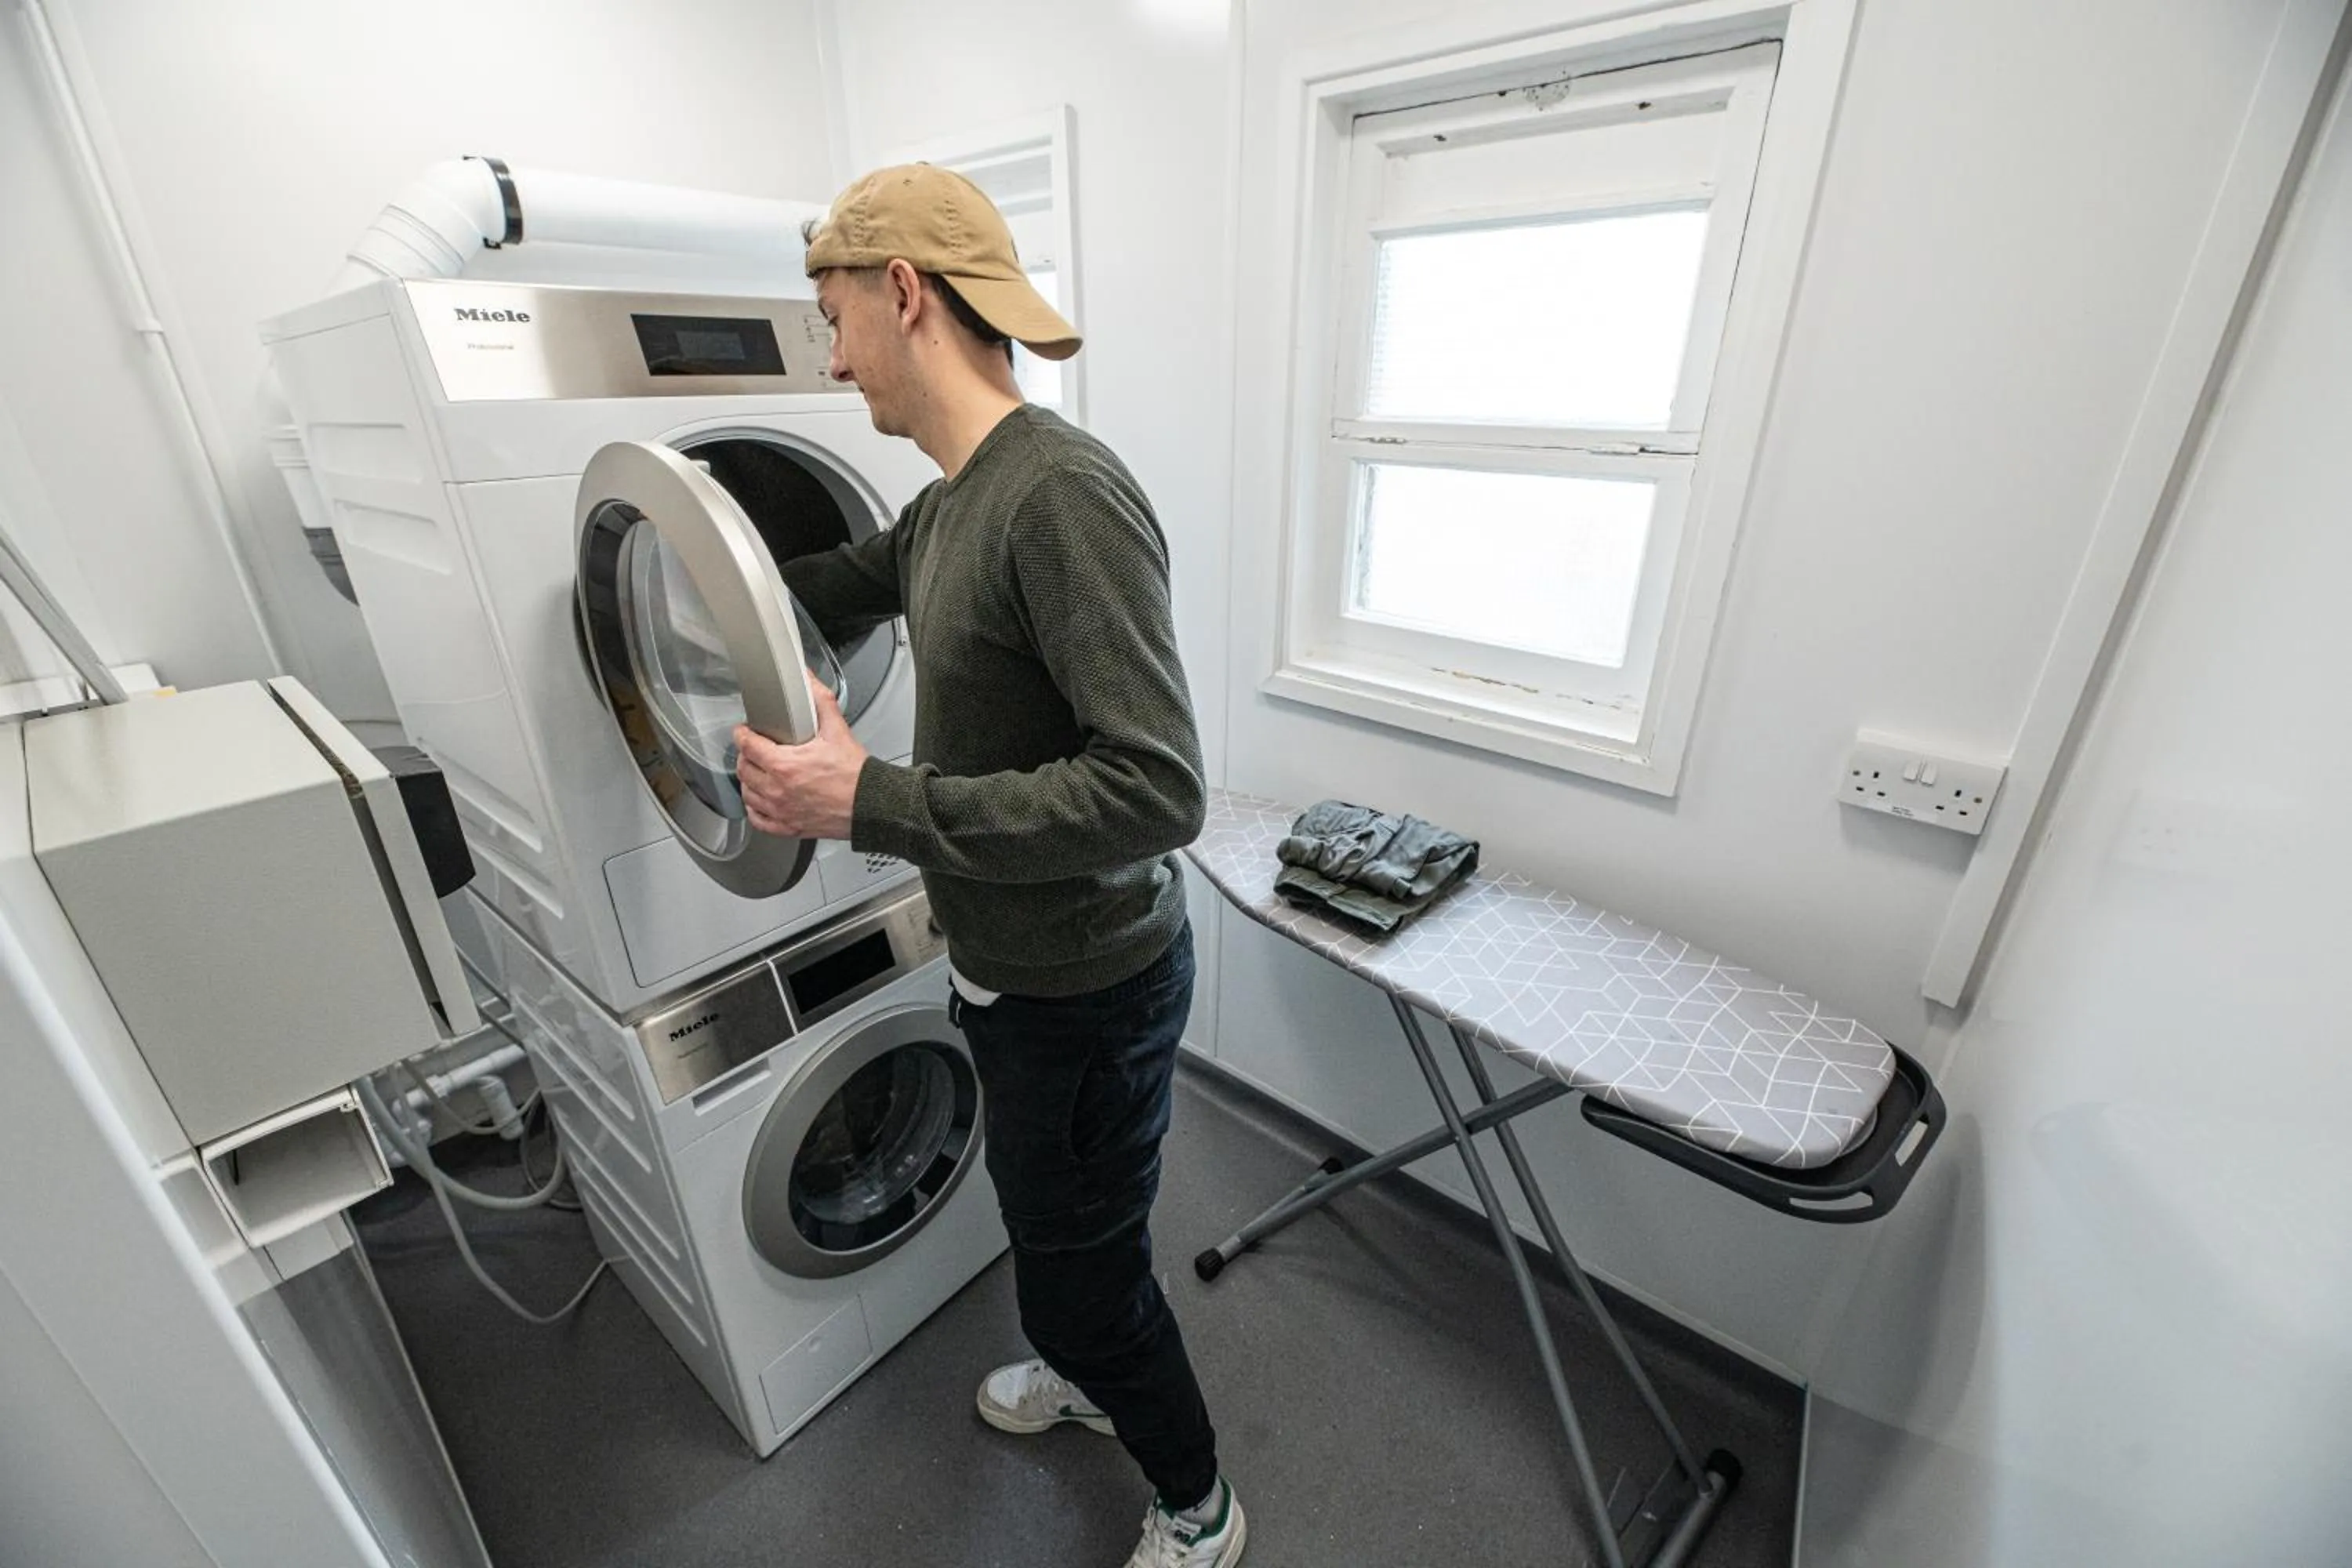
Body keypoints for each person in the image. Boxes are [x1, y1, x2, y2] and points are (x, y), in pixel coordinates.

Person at [732, 164, 1243, 1568]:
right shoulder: (950, 502)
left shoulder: (1056, 497)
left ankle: (1197, 1505)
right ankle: (1085, 1374)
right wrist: (689, 571)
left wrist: (871, 800)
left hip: (1091, 987)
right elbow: (832, 585)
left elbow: (1157, 787)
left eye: (837, 315)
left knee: (1078, 1274)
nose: (831, 359)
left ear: (904, 294)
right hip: (1019, 971)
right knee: (1070, 1228)